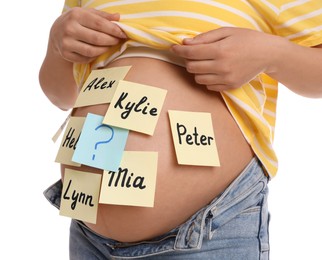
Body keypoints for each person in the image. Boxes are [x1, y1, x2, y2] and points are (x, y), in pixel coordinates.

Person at [39, 1, 322, 259]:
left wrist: (273, 54)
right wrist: (57, 47)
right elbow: (61, 95)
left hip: (207, 231)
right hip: (88, 233)